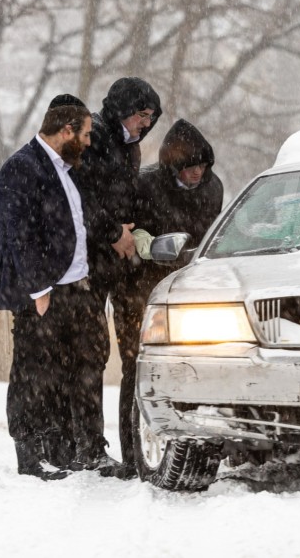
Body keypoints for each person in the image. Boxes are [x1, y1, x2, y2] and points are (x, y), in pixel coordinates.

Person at [0, 94, 106, 480]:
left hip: (72, 288)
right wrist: (39, 290)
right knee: (32, 373)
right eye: (85, 134)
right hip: (40, 293)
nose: (88, 142)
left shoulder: (65, 169)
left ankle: (60, 450)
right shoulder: (21, 168)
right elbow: (19, 235)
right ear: (67, 130)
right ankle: (30, 456)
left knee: (61, 373)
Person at [121, 119, 223, 471]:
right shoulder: (145, 184)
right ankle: (132, 453)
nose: (198, 173)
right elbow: (129, 228)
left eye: (203, 166)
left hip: (190, 285)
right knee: (136, 367)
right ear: (173, 165)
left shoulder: (213, 187)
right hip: (140, 286)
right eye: (190, 166)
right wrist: (145, 245)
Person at [73, 76, 161, 478]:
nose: (146, 123)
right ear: (123, 109)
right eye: (141, 114)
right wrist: (113, 233)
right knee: (89, 354)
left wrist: (134, 232)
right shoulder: (93, 137)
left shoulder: (130, 147)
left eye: (151, 117)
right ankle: (86, 446)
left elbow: (122, 200)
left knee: (126, 354)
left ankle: (125, 450)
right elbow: (82, 200)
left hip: (117, 263)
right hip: (86, 263)